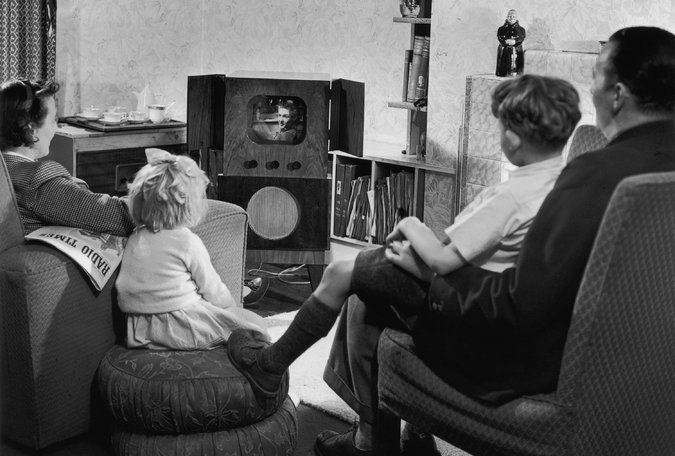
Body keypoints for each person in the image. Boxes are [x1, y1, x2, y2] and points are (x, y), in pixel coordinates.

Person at [238, 26, 675, 456]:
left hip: (518, 355)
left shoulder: (595, 175)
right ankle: (383, 440)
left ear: (618, 94)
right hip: (630, 369)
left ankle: (280, 374)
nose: (592, 90)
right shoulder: (643, 170)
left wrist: (431, 274)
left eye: (597, 76)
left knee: (361, 279)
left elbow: (523, 306)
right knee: (366, 284)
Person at [227, 74, 581, 448]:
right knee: (363, 295)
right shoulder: (564, 182)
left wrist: (410, 223)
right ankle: (378, 439)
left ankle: (269, 366)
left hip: (466, 309)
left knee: (341, 272)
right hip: (495, 311)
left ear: (513, 136)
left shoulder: (513, 194)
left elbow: (443, 259)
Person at [116, 150, 268, 350]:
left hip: (139, 329)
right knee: (254, 325)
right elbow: (211, 288)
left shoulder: (136, 236)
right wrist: (231, 308)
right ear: (189, 206)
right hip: (182, 325)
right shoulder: (186, 240)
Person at [0, 79, 134, 235]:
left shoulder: (7, 171)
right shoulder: (37, 180)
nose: (56, 129)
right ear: (31, 129)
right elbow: (120, 216)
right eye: (52, 121)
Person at [496, 9, 526, 77]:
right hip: (504, 51)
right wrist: (505, 41)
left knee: (516, 67)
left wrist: (515, 41)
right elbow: (500, 37)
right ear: (507, 17)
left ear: (516, 18)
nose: (512, 18)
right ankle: (503, 72)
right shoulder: (501, 29)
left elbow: (521, 38)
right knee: (503, 67)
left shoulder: (521, 30)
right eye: (510, 16)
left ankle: (516, 72)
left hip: (516, 51)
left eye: (513, 16)